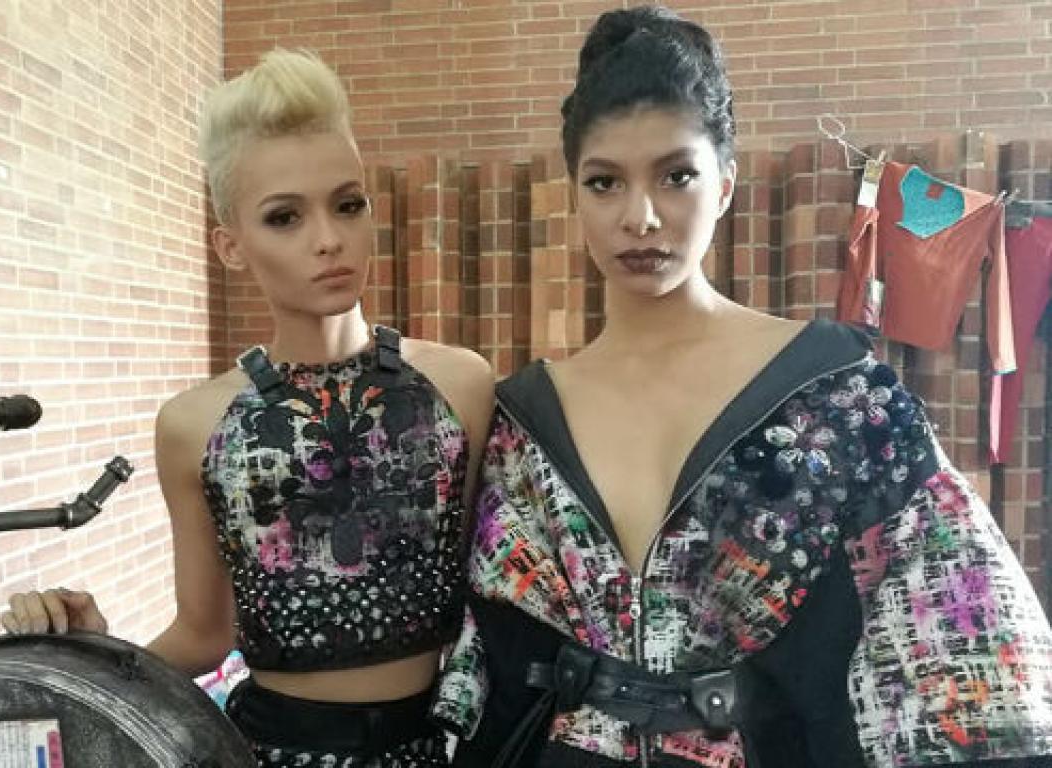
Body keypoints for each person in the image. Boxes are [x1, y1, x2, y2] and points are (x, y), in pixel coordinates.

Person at [432, 7, 1052, 768]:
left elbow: (962, 632)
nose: (640, 216)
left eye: (676, 175)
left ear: (724, 185)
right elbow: (489, 658)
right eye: (605, 182)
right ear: (576, 195)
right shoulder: (521, 419)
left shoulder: (836, 393)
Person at [0, 48, 494, 767]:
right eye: (284, 217)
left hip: (437, 749)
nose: (328, 239)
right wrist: (91, 653)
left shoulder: (462, 386)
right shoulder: (194, 425)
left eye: (348, 204)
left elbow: (493, 600)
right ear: (231, 247)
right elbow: (205, 635)